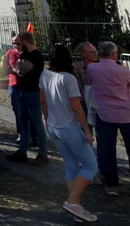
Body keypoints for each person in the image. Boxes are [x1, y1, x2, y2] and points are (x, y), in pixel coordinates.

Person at [39, 44, 98, 223]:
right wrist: (87, 130)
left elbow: (43, 101)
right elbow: (76, 107)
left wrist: (47, 120)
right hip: (69, 126)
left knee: (71, 167)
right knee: (91, 166)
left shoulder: (45, 75)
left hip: (55, 126)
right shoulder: (68, 79)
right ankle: (72, 201)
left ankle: (76, 207)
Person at [87, 40, 130, 197]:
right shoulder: (123, 71)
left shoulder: (92, 68)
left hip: (104, 112)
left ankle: (112, 183)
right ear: (113, 54)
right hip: (125, 112)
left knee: (106, 149)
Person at [7, 31, 49, 165]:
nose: (17, 46)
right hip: (23, 90)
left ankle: (43, 153)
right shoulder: (25, 55)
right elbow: (16, 67)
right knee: (23, 120)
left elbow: (20, 70)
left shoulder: (35, 55)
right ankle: (22, 151)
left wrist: (16, 68)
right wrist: (16, 68)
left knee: (37, 122)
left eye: (19, 43)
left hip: (33, 91)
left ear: (25, 42)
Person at [73, 41, 99, 130]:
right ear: (83, 54)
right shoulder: (75, 68)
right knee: (86, 130)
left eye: (96, 52)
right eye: (92, 52)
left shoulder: (100, 67)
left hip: (98, 102)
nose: (95, 54)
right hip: (83, 103)